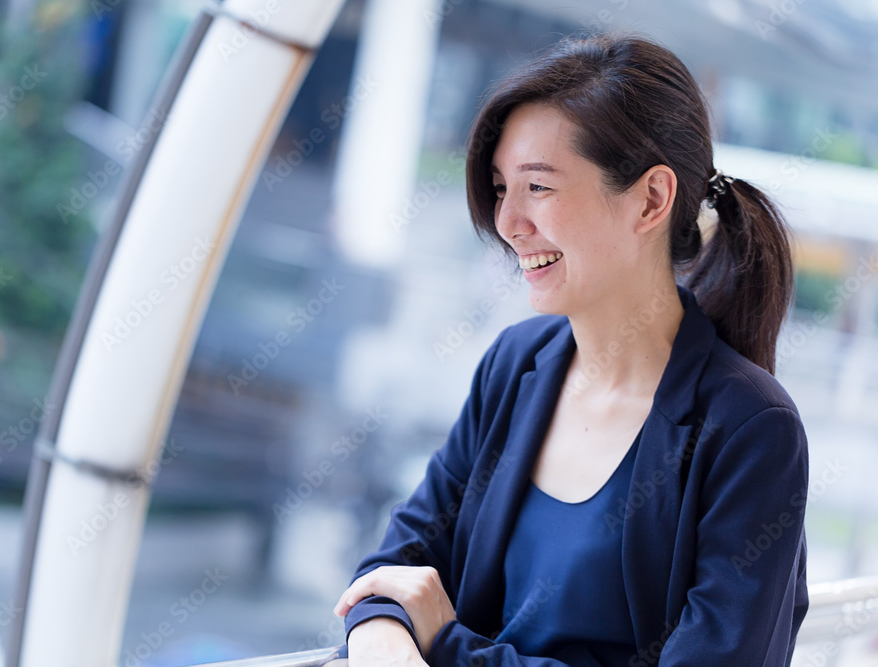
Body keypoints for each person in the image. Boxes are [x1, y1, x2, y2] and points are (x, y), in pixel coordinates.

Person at [330, 31, 810, 667]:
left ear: (651, 199)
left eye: (539, 187)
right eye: (501, 188)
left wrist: (449, 646)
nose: (508, 223)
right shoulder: (517, 362)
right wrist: (383, 637)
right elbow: (397, 564)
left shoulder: (751, 429)